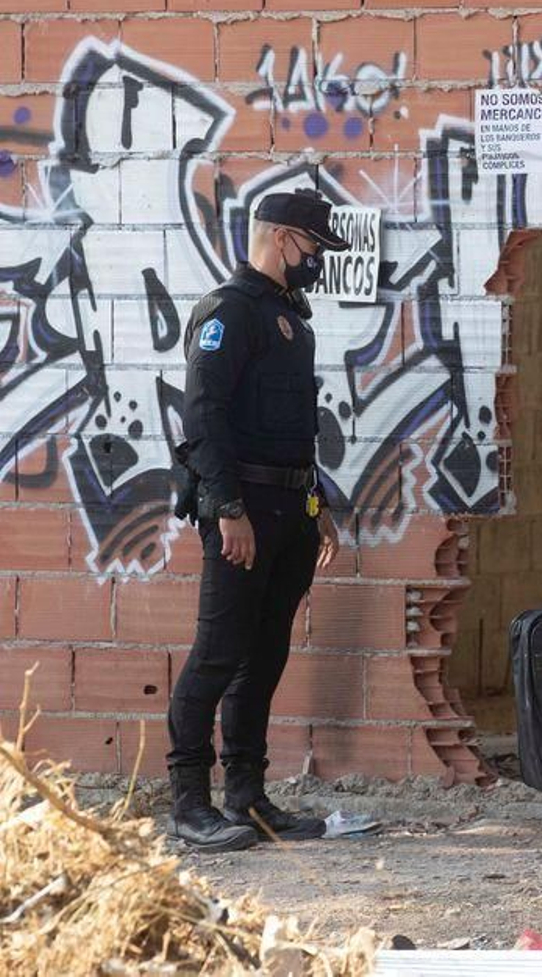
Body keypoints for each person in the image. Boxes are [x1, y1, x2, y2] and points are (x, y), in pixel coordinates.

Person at [167, 189, 345, 852]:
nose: (318, 262)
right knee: (217, 654)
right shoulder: (230, 312)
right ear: (280, 238)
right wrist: (228, 507)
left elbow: (295, 431)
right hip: (243, 513)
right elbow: (203, 418)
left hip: (289, 511)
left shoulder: (289, 317)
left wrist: (317, 505)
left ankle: (247, 797)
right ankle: (189, 803)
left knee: (263, 656)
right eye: (313, 248)